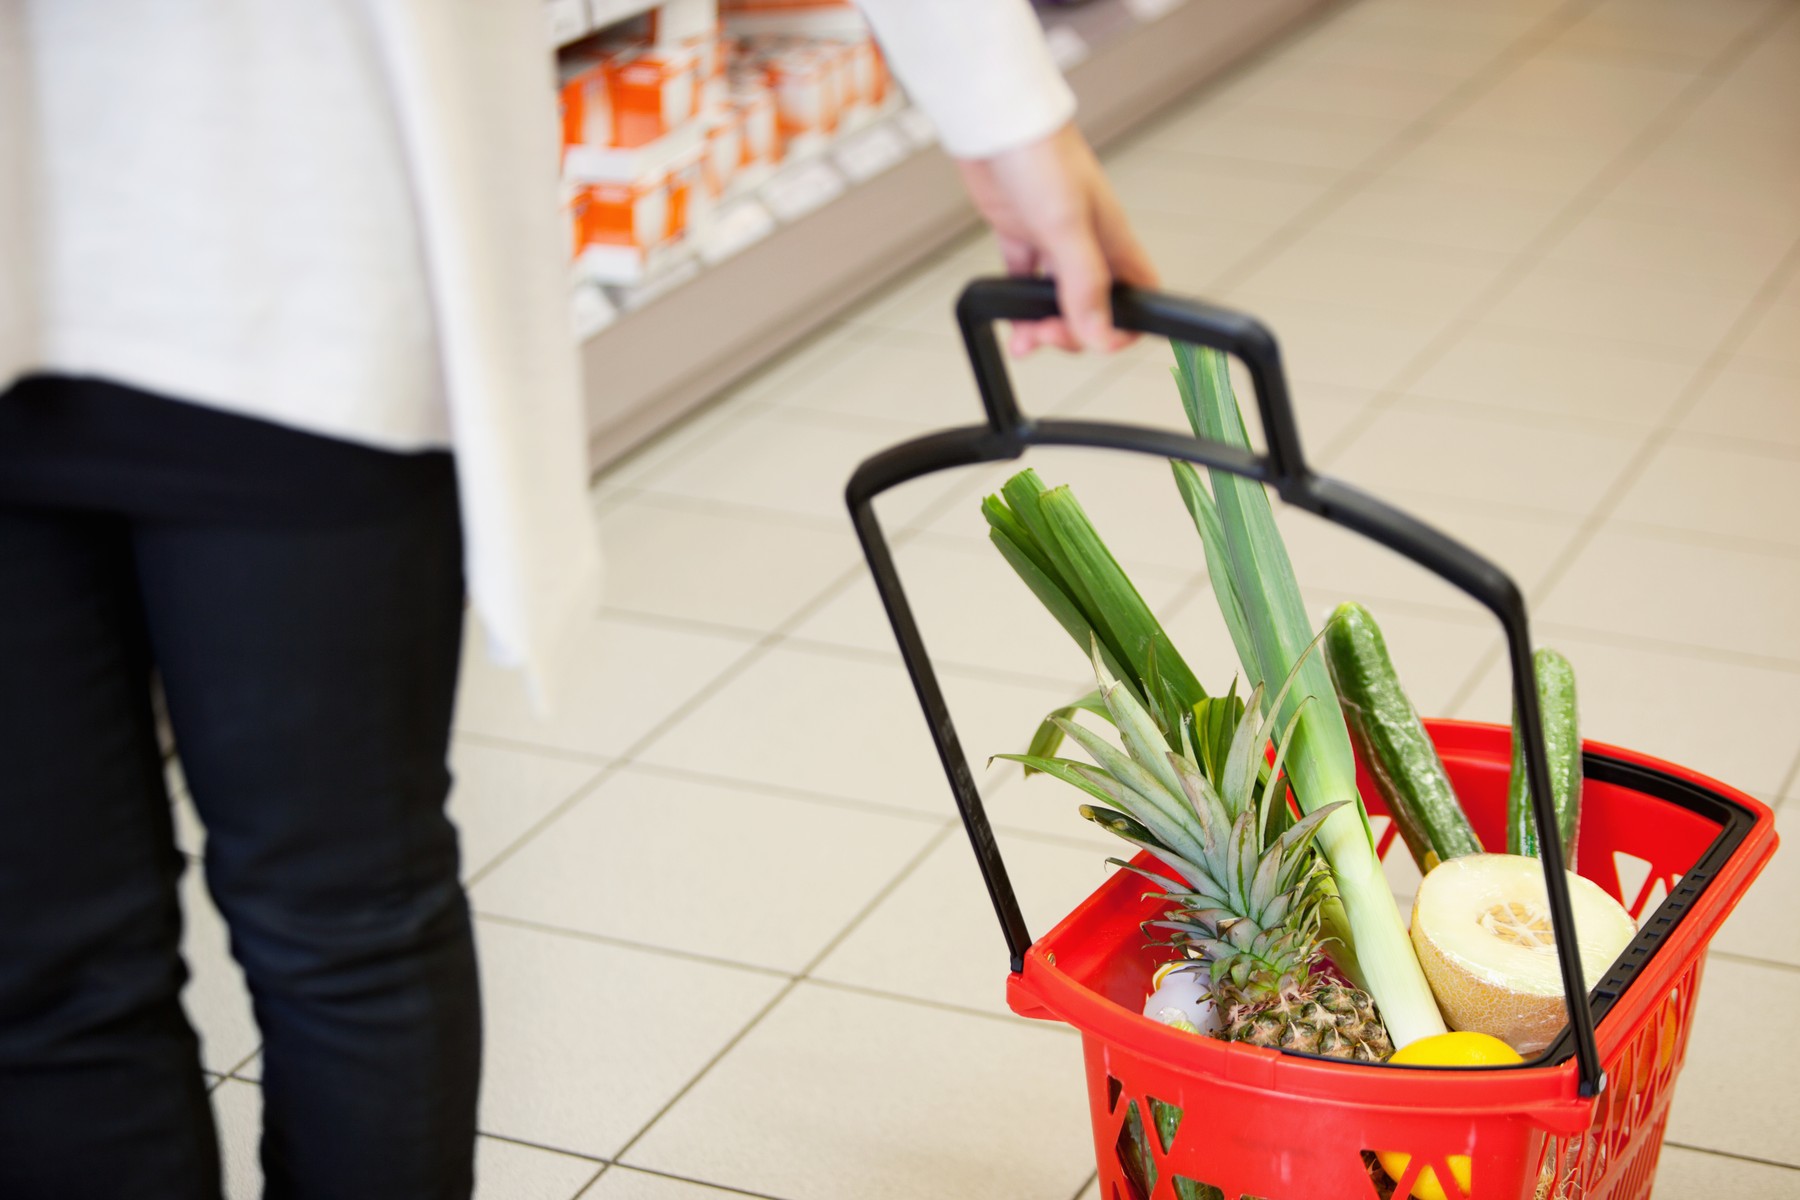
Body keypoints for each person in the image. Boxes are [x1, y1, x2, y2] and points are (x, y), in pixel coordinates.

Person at [0, 1, 1157, 1197]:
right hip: (240, 232)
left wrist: (1007, 114)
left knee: (316, 917)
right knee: (65, 961)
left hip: (305, 230)